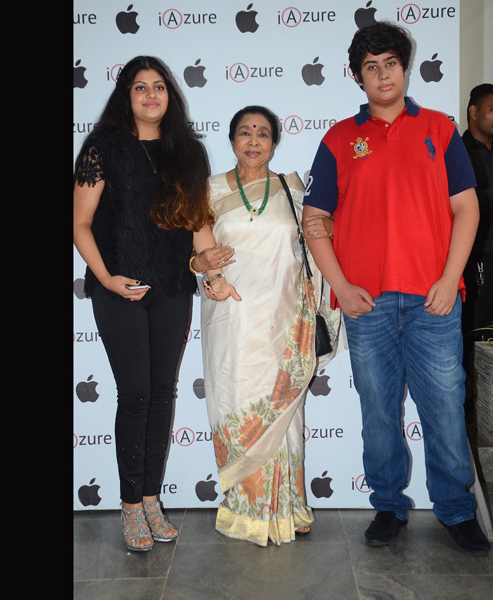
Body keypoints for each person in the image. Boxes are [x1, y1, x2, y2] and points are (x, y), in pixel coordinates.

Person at [302, 22, 490, 556]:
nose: (382, 74)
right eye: (370, 66)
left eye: (390, 63)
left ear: (405, 69)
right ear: (357, 77)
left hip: (435, 299)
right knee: (379, 409)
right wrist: (340, 285)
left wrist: (450, 279)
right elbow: (315, 218)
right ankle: (388, 505)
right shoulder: (339, 139)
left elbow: (466, 208)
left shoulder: (439, 129)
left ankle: (456, 509)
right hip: (368, 303)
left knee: (445, 406)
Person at [73, 55, 234, 553]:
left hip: (169, 287)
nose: (150, 95)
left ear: (170, 96)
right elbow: (79, 223)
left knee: (163, 393)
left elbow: (196, 221)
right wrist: (106, 279)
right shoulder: (102, 149)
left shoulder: (186, 151)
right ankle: (128, 505)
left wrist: (212, 267)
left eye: (159, 87)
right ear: (126, 94)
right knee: (136, 393)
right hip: (117, 286)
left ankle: (150, 500)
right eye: (140, 87)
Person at [192, 105, 340, 547]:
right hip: (232, 319)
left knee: (284, 417)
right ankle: (247, 513)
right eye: (244, 132)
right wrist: (200, 265)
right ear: (232, 140)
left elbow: (318, 242)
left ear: (274, 142)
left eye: (262, 133)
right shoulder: (208, 190)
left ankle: (289, 508)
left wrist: (329, 224)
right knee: (238, 401)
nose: (253, 140)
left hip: (283, 318)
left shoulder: (293, 189)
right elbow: (197, 255)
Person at [461, 84, 493, 421]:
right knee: (466, 348)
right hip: (474, 267)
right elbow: (470, 204)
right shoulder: (458, 155)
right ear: (474, 112)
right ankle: (466, 425)